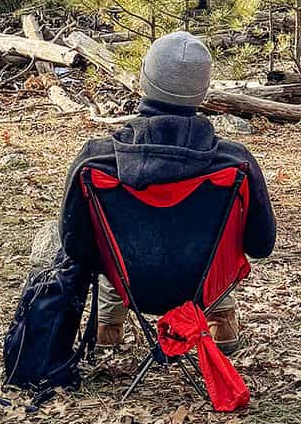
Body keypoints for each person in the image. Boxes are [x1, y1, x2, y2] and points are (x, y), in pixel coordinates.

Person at [34, 31, 277, 354]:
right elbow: (261, 245)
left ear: (145, 80)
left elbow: (77, 248)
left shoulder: (96, 160)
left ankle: (108, 327)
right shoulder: (236, 163)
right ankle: (222, 319)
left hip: (130, 285)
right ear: (202, 92)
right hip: (204, 289)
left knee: (109, 236)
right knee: (214, 238)